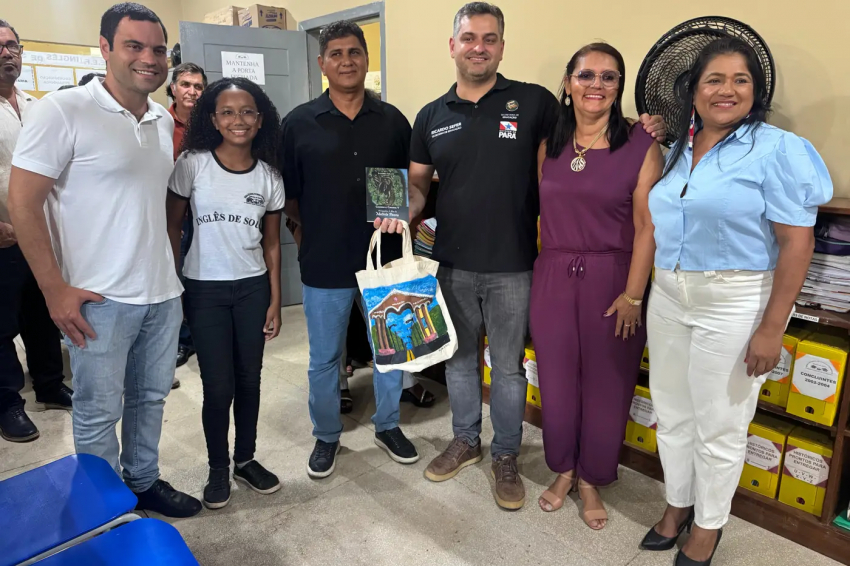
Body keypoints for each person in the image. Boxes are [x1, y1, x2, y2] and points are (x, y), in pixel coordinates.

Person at [377, 1, 664, 510]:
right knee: (462, 363)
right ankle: (466, 440)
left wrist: (646, 129)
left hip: (517, 264)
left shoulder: (533, 104)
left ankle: (506, 455)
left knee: (507, 368)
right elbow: (419, 188)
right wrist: (400, 212)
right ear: (453, 46)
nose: (479, 47)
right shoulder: (430, 115)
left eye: (489, 38)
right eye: (469, 38)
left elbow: (592, 124)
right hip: (452, 263)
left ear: (502, 47)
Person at [642, 37, 832, 565]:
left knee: (721, 422)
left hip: (734, 300)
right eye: (714, 80)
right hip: (668, 294)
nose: (727, 90)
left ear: (757, 90)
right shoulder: (678, 146)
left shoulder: (776, 148)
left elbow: (797, 242)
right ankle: (677, 504)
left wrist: (772, 329)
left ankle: (708, 525)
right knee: (673, 413)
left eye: (740, 80)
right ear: (693, 91)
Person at [7, 2, 201, 518]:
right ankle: (102, 501)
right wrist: (54, 289)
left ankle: (142, 481)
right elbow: (23, 201)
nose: (149, 58)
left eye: (158, 49)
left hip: (162, 292)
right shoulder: (63, 109)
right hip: (98, 297)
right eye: (134, 46)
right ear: (106, 48)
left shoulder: (162, 119)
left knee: (150, 399)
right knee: (97, 410)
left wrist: (174, 278)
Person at [279, 20, 420, 479]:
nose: (346, 61)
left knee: (391, 349)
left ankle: (388, 425)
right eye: (335, 53)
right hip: (325, 262)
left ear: (365, 59)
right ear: (322, 64)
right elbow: (290, 196)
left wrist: (401, 218)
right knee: (324, 359)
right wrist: (305, 239)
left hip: (387, 258)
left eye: (354, 52)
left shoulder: (393, 121)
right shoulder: (299, 123)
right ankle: (326, 436)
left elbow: (402, 188)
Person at [531, 43, 662, 528]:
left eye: (609, 77)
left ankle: (592, 478)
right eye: (586, 75)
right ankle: (563, 469)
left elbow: (648, 226)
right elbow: (541, 212)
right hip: (553, 274)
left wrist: (633, 295)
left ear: (619, 88)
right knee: (558, 380)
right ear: (568, 83)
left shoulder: (642, 145)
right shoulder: (549, 144)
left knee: (608, 384)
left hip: (614, 277)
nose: (597, 85)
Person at [166, 77, 284, 510]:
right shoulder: (193, 164)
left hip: (252, 289)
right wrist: (173, 282)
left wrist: (274, 299)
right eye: (228, 112)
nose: (239, 120)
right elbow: (172, 226)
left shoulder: (270, 176)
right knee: (218, 386)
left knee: (249, 381)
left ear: (260, 118)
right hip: (203, 289)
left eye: (248, 111)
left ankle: (245, 459)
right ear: (212, 118)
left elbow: (272, 244)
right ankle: (218, 466)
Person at [0, 18, 72, 443]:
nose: (7, 53)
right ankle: (8, 402)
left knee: (43, 315)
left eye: (13, 45)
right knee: (2, 325)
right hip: (3, 238)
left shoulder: (35, 105)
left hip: (41, 234)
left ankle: (49, 385)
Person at [168, 62, 208, 376]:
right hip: (172, 219)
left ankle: (202, 334)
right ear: (173, 88)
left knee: (201, 279)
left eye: (197, 86)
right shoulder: (159, 123)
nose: (192, 91)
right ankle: (182, 340)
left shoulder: (210, 126)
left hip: (206, 218)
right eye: (185, 84)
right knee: (177, 279)